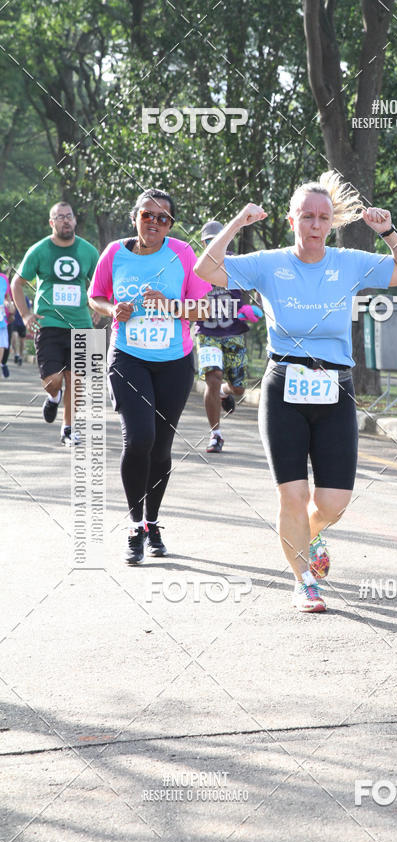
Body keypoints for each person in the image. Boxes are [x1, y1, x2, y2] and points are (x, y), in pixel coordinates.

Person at [195, 171, 397, 613]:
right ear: (292, 220)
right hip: (284, 387)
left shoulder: (350, 262)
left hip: (335, 387)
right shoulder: (268, 263)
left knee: (332, 503)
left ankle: (310, 532)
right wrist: (237, 224)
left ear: (331, 222)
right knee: (293, 495)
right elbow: (205, 268)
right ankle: (303, 581)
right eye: (306, 217)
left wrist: (389, 232)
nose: (315, 225)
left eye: (322, 217)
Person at [89, 188, 211, 565]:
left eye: (163, 218)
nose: (154, 223)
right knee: (139, 438)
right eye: (147, 216)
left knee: (161, 448)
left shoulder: (183, 254)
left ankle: (152, 522)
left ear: (170, 224)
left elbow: (202, 308)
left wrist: (169, 304)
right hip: (128, 358)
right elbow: (95, 296)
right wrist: (113, 309)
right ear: (135, 218)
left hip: (175, 361)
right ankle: (134, 526)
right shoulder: (114, 253)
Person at [11, 202, 99, 445]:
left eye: (69, 216)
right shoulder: (39, 250)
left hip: (81, 324)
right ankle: (53, 396)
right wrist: (27, 315)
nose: (65, 221)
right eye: (59, 217)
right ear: (52, 223)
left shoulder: (88, 251)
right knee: (53, 380)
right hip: (49, 323)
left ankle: (68, 429)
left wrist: (99, 307)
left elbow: (102, 282)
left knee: (77, 380)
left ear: (75, 220)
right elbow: (17, 283)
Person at [195, 219, 262, 452]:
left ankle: (225, 392)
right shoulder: (196, 266)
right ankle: (215, 434)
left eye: (218, 239)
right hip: (207, 333)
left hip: (233, 332)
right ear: (203, 243)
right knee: (212, 379)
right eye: (209, 241)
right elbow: (184, 294)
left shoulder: (237, 263)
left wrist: (255, 308)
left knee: (239, 388)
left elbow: (259, 282)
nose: (213, 244)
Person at [0, 270, 11, 377]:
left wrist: (8, 304)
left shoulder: (3, 278)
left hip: (1, 317)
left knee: (1, 344)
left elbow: (7, 297)